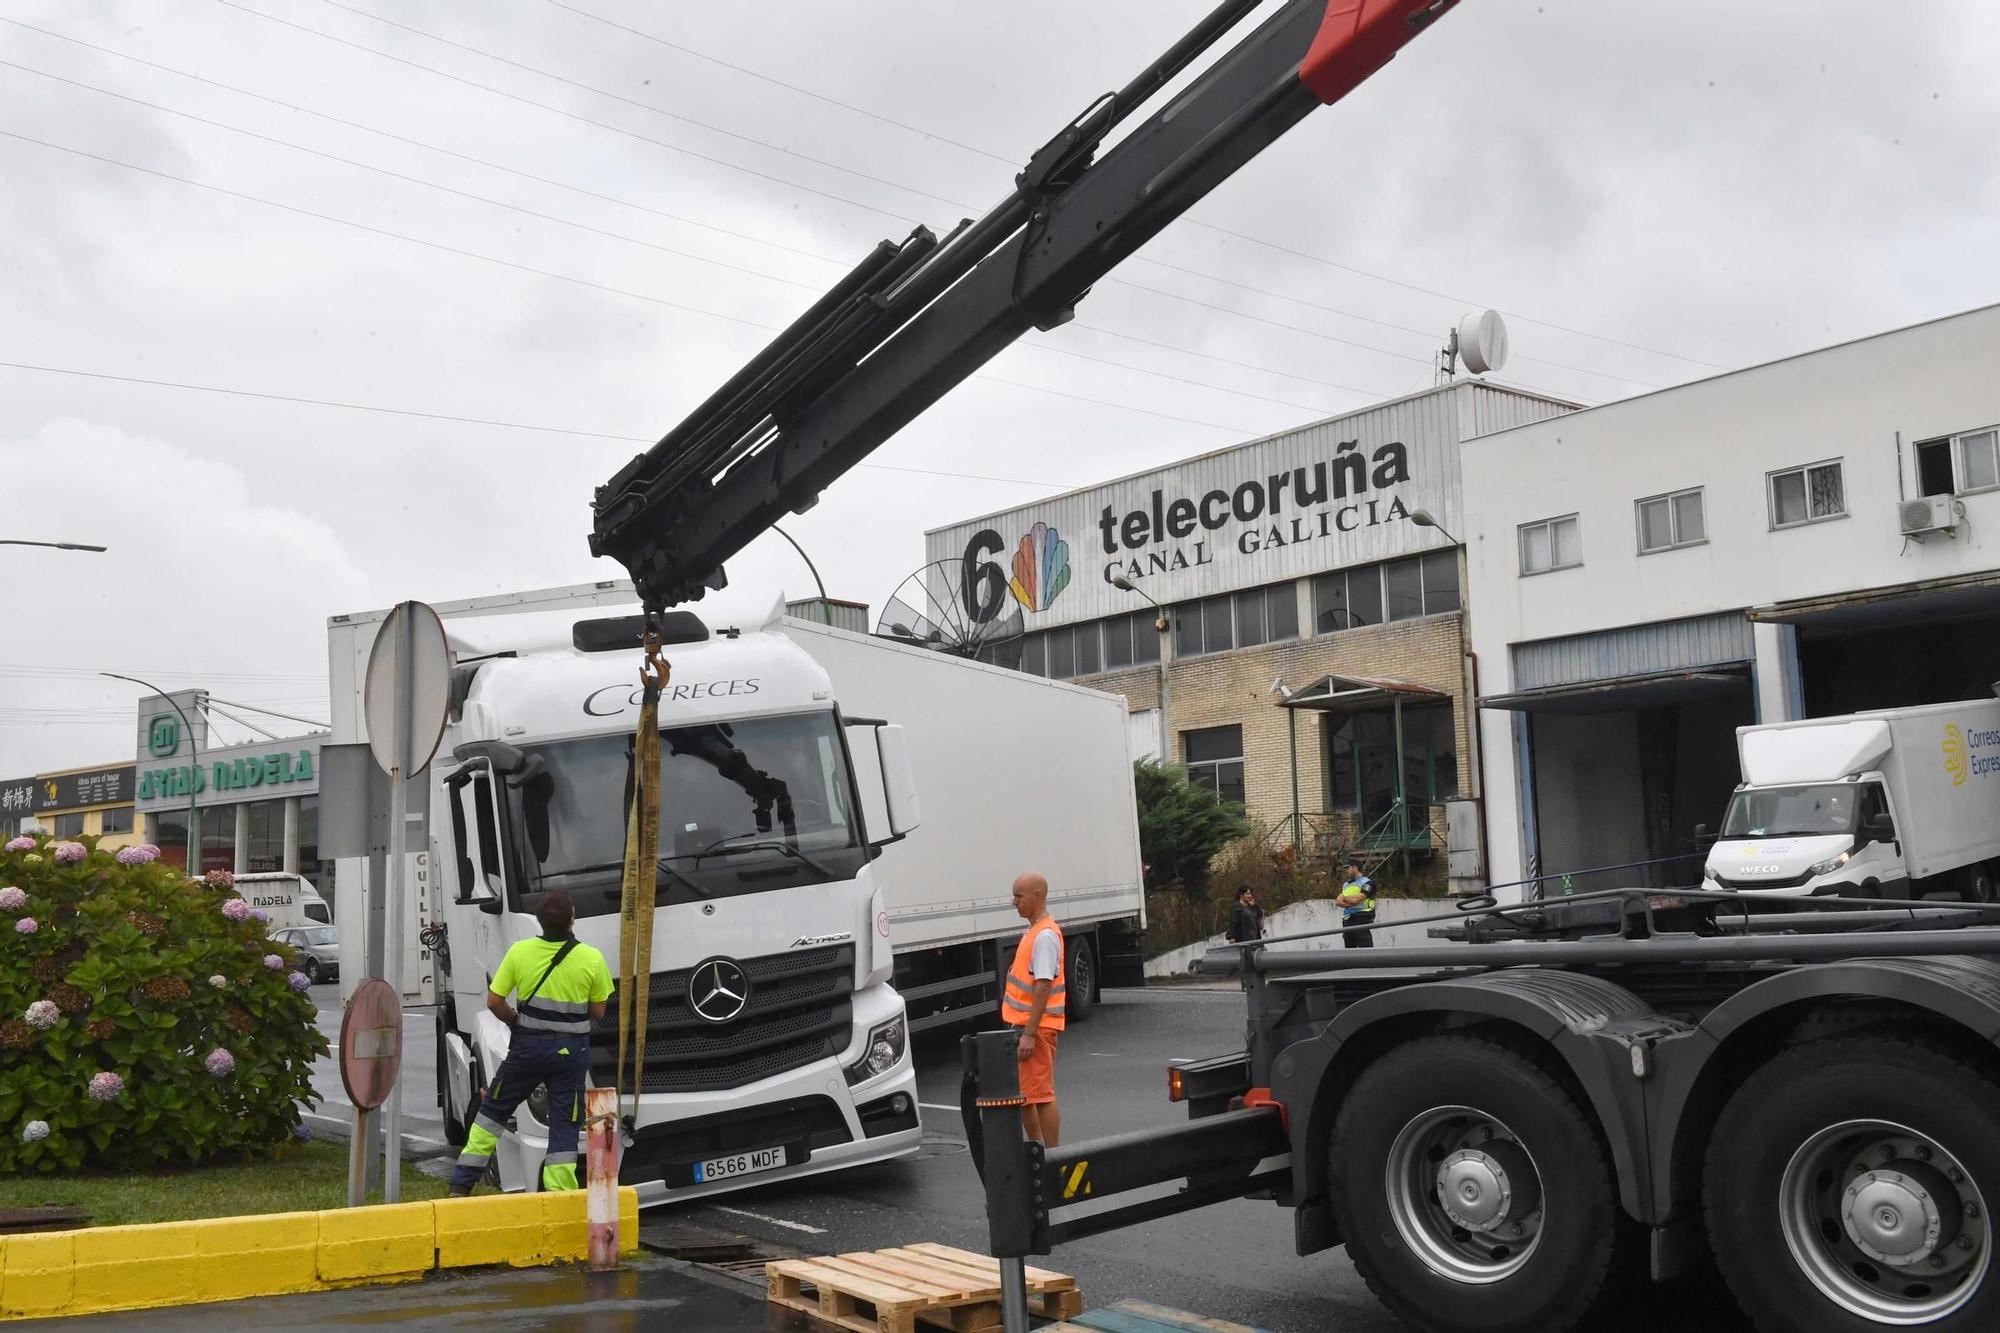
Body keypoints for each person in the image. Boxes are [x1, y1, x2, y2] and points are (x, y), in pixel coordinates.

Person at [447, 889, 614, 1196]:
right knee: (564, 1124)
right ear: (571, 920)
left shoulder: (519, 953)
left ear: (539, 921)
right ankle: (560, 1198)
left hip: (527, 1049)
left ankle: (461, 1184)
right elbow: (598, 1011)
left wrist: (516, 1020)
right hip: (570, 1054)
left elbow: (495, 1001)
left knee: (494, 1110)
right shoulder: (591, 958)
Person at [1003, 871, 1065, 1148]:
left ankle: (1050, 1156)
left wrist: (1028, 1033)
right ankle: (1038, 1150)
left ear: (1037, 896)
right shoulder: (1035, 931)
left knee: (1040, 1095)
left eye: (1019, 896)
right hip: (1027, 1027)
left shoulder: (1044, 936)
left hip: (1036, 1030)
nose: (1013, 901)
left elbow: (1043, 986)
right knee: (1027, 1095)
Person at [1337, 861, 1376, 949]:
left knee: (1366, 950)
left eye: (1348, 868)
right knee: (1349, 952)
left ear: (1355, 867)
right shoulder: (1346, 884)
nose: (1347, 870)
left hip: (1361, 918)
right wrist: (1349, 903)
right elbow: (1338, 901)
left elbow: (1356, 900)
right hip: (1347, 920)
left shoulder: (1368, 883)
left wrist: (1345, 897)